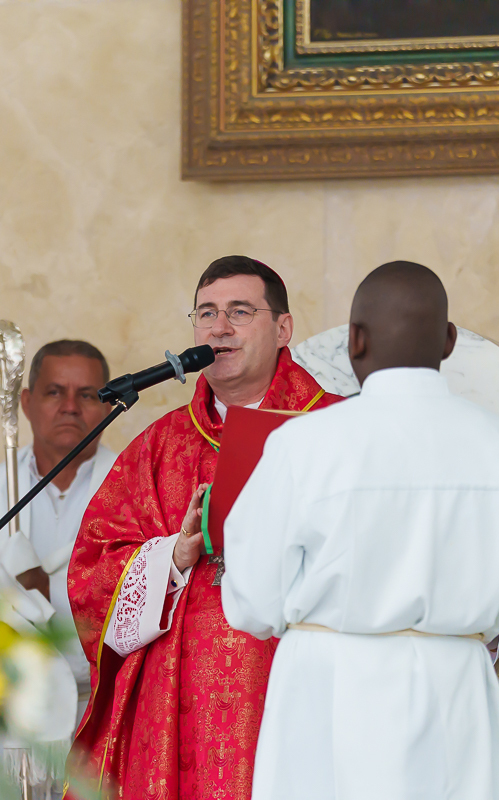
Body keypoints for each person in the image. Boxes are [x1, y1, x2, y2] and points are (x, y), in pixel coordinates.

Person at [220, 261, 499, 800]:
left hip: (329, 687)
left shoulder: (305, 444)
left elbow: (252, 600)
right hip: (456, 683)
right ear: (450, 341)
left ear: (354, 340)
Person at [66, 256, 339, 799]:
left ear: (283, 329)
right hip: (176, 708)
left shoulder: (334, 427)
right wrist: (172, 556)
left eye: (240, 311)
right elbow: (90, 573)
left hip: (292, 688)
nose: (219, 328)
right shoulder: (160, 444)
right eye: (207, 313)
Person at [0, 339, 117, 724]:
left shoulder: (138, 497)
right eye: (54, 392)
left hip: (105, 716)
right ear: (27, 403)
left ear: (110, 405)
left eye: (87, 394)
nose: (70, 406)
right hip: (7, 719)